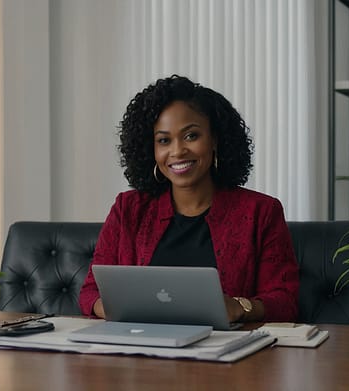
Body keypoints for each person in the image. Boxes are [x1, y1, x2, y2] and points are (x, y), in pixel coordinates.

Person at [78, 75, 299, 323]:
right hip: (140, 347)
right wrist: (117, 309)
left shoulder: (262, 211)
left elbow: (285, 301)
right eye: (163, 140)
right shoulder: (128, 209)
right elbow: (90, 293)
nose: (177, 151)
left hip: (227, 355)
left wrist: (239, 307)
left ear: (214, 139)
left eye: (191, 136)